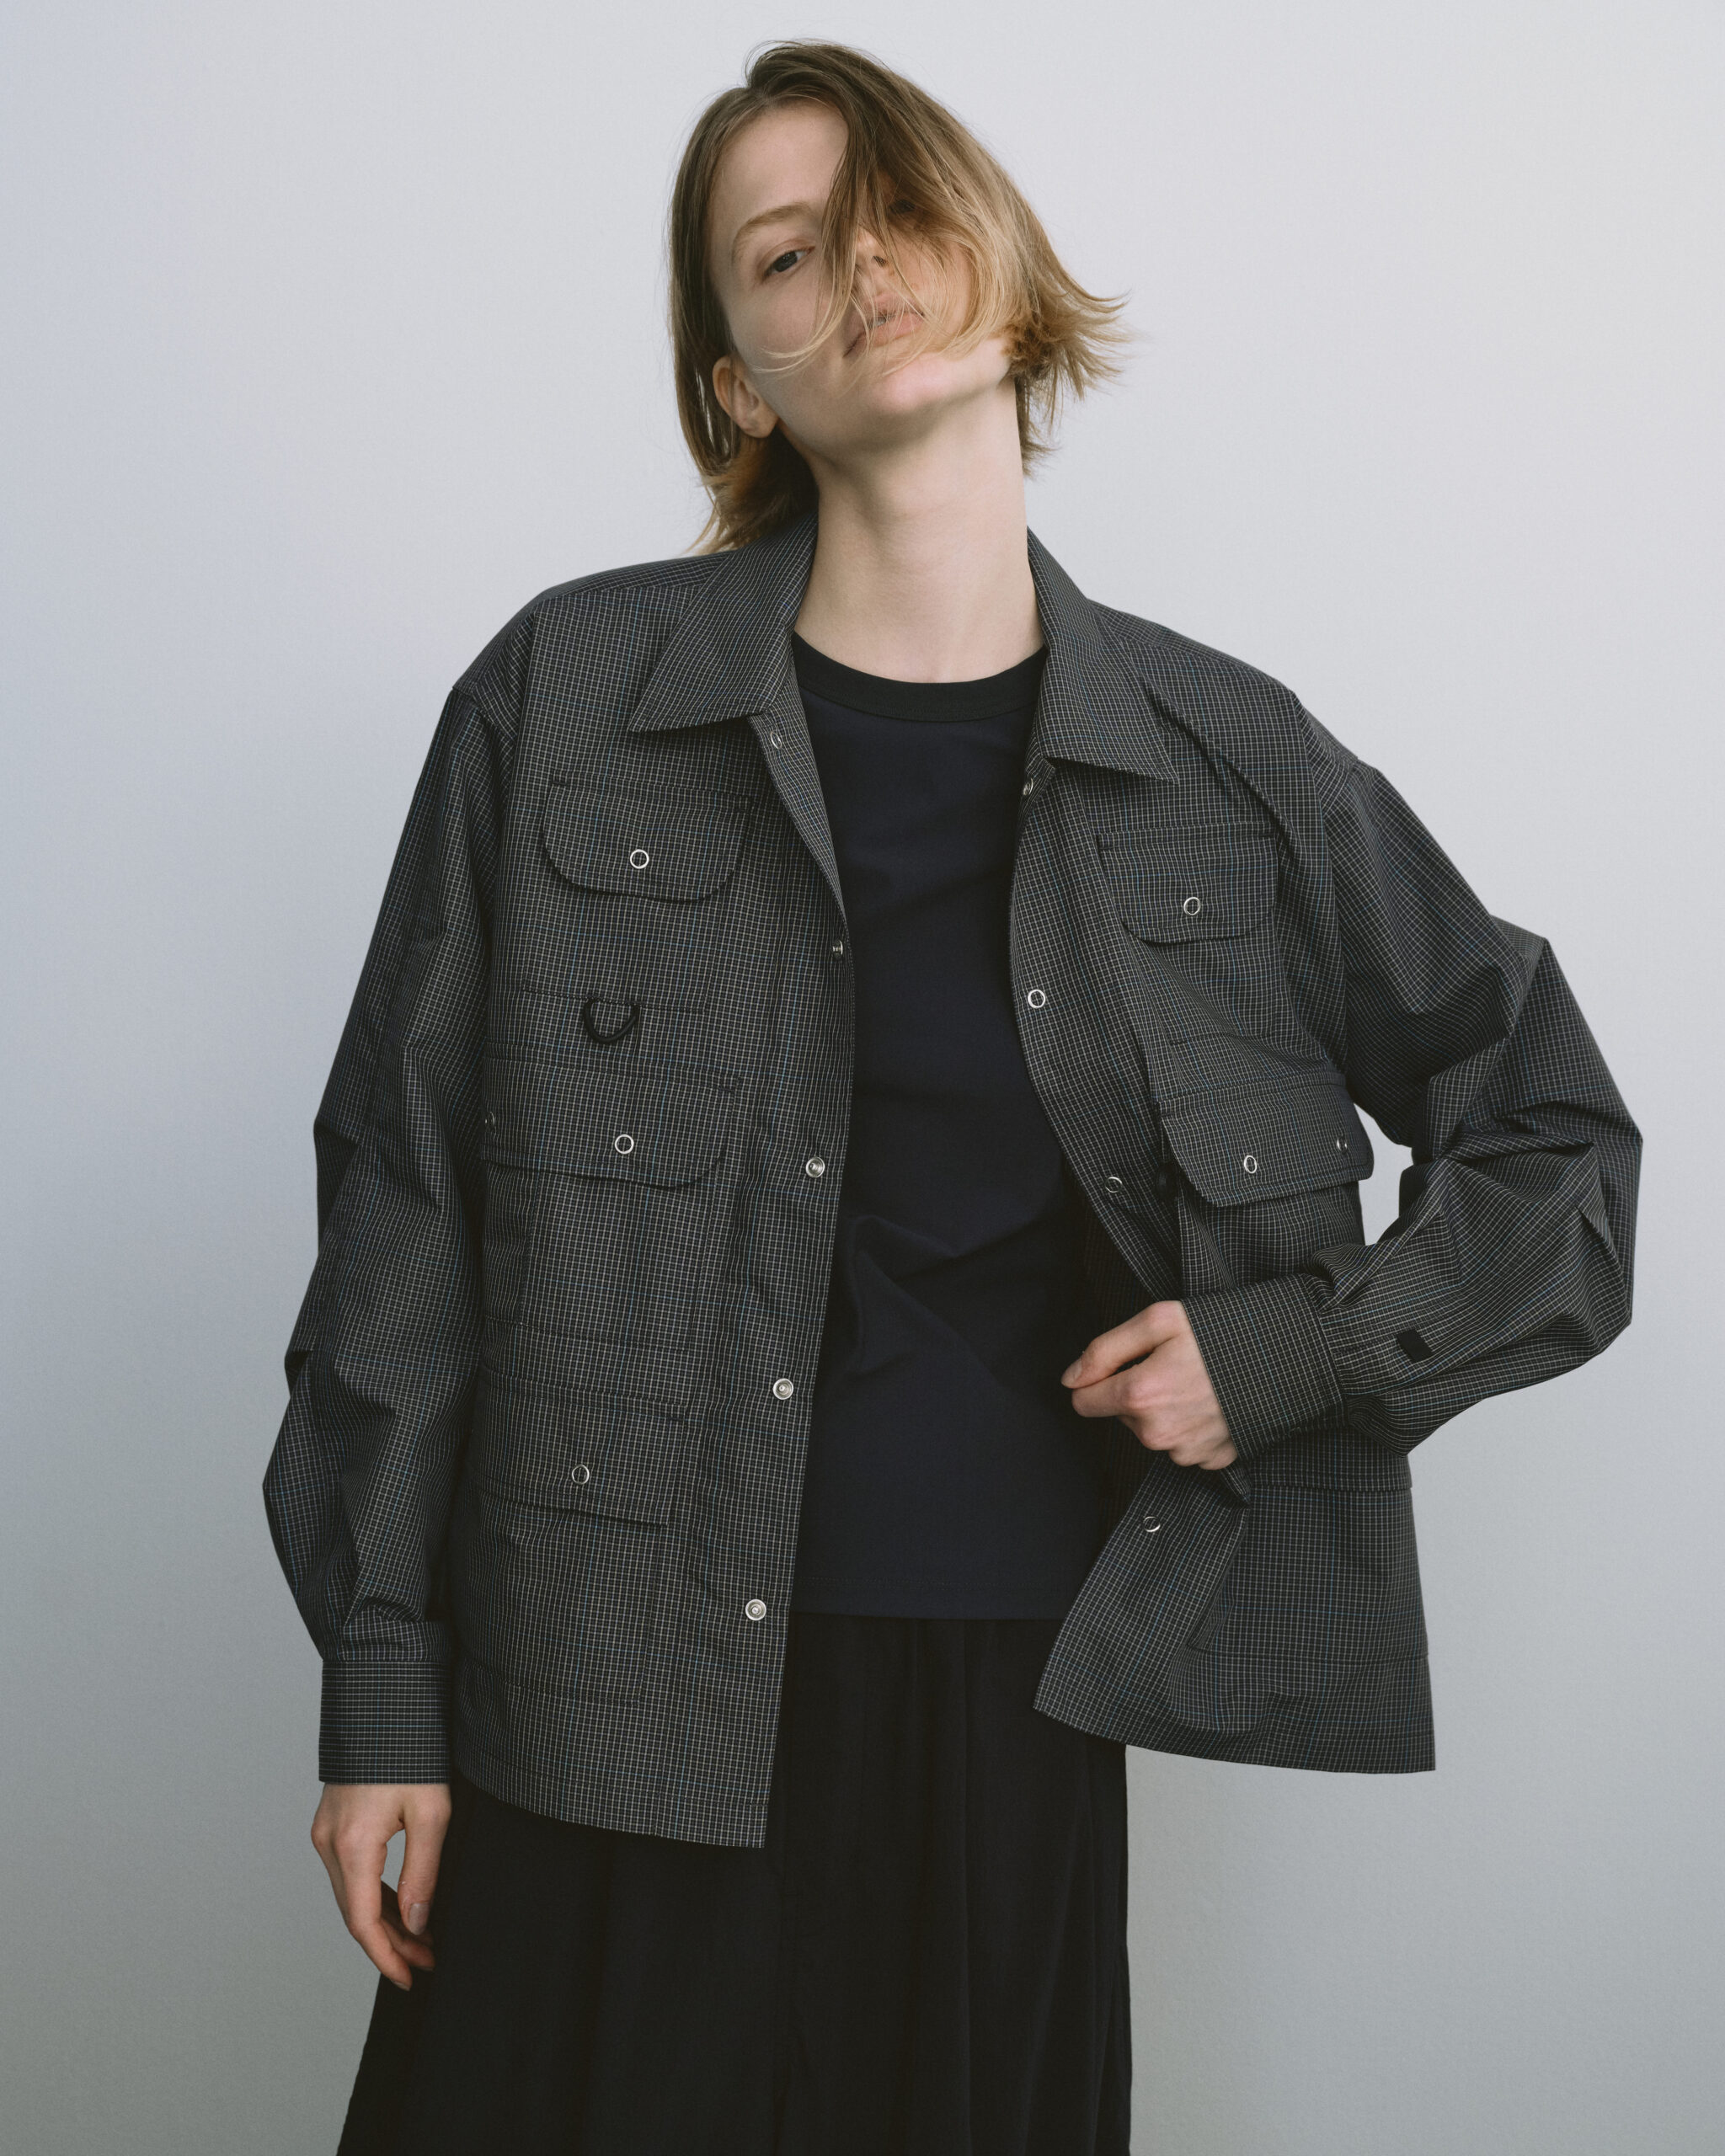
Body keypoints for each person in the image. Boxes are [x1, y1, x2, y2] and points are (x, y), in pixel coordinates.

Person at [264, 40, 1641, 2156]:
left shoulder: (1228, 761)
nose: (860, 270)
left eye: (899, 213)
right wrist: (383, 1685)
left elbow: (1557, 1137)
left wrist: (1283, 1353)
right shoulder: (566, 700)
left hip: (1005, 1695)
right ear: (736, 381)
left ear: (1004, 268)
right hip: (598, 1683)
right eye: (784, 254)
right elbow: (405, 1203)